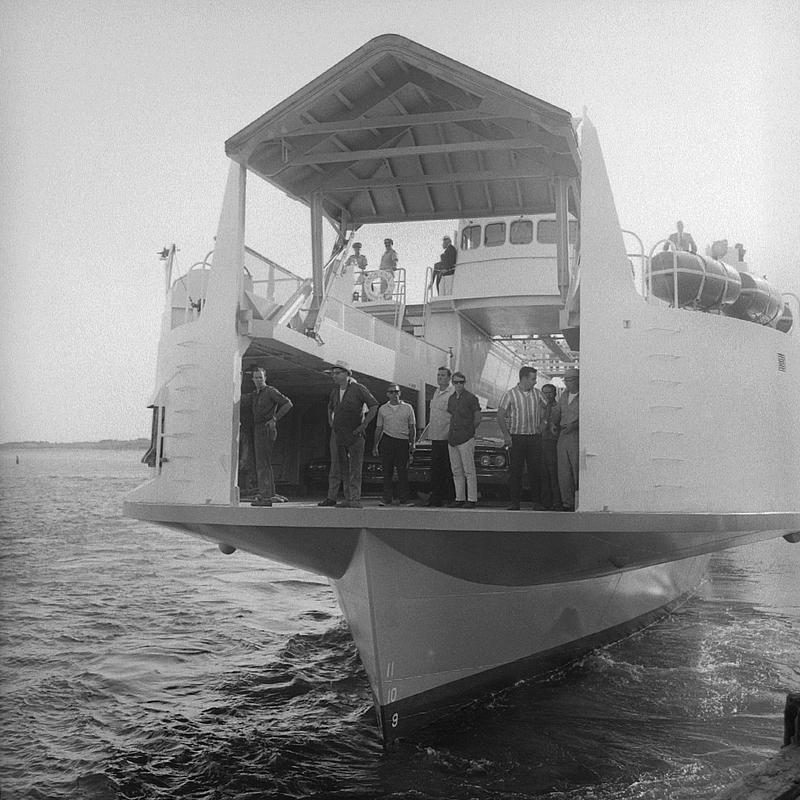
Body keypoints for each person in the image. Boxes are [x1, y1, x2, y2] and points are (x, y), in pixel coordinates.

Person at [318, 360, 378, 509]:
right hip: (338, 434)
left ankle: (354, 499)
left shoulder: (358, 389)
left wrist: (364, 425)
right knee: (338, 466)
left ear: (347, 374)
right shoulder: (334, 391)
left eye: (338, 373)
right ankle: (336, 497)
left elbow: (374, 405)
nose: (334, 376)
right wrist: (331, 422)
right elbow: (330, 407)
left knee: (355, 467)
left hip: (354, 433)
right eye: (333, 373)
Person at [496, 366, 546, 511]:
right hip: (517, 437)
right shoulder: (510, 394)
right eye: (533, 379)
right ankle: (514, 502)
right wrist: (506, 435)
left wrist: (544, 422)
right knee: (516, 470)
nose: (535, 382)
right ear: (524, 378)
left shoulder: (537, 394)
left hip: (534, 437)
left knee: (535, 470)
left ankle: (537, 502)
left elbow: (547, 406)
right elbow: (500, 415)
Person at [243, 366, 293, 507]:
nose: (258, 380)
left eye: (261, 377)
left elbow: (288, 404)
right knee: (264, 462)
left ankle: (265, 496)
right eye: (256, 377)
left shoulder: (270, 391)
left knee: (262, 463)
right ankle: (269, 493)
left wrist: (274, 419)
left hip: (266, 428)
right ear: (252, 379)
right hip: (258, 427)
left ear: (265, 378)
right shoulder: (255, 394)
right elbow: (242, 399)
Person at [373, 384, 417, 506]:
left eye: (396, 392)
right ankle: (387, 498)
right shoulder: (383, 409)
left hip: (403, 441)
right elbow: (379, 428)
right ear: (387, 394)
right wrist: (375, 445)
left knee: (403, 471)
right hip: (388, 440)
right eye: (391, 392)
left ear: (400, 393)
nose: (394, 394)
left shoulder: (408, 408)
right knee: (387, 471)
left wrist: (412, 443)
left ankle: (404, 499)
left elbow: (412, 427)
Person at [447, 371, 481, 508]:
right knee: (456, 470)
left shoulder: (471, 398)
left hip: (466, 438)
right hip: (453, 438)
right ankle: (459, 497)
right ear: (453, 383)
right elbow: (451, 416)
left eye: (461, 382)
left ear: (464, 383)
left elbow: (478, 417)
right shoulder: (451, 398)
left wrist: (470, 431)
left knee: (469, 470)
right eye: (456, 382)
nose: (458, 385)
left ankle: (471, 499)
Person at [424, 366, 455, 506]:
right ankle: (436, 498)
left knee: (448, 469)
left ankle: (451, 498)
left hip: (447, 437)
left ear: (449, 378)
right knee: (436, 470)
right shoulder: (436, 392)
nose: (440, 377)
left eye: (443, 375)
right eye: (438, 375)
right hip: (435, 437)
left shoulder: (453, 393)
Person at [557, 367, 580, 511]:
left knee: (577, 468)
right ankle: (567, 502)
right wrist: (552, 423)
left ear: (578, 380)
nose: (567, 383)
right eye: (565, 380)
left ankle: (580, 500)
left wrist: (575, 425)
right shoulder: (563, 395)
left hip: (576, 434)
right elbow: (557, 412)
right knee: (563, 470)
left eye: (570, 380)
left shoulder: (584, 396)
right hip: (563, 434)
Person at [539, 383, 562, 511]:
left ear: (555, 394)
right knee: (543, 474)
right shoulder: (539, 408)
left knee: (554, 473)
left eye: (549, 392)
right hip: (541, 442)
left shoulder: (558, 408)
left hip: (553, 443)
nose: (547, 395)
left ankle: (557, 502)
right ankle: (545, 502)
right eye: (544, 393)